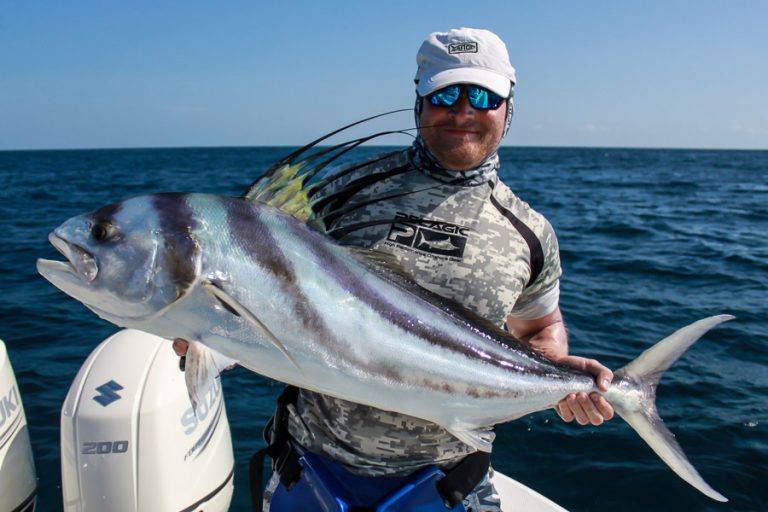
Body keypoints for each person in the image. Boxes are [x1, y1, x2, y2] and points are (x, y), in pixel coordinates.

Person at [175, 27, 614, 511]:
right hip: (311, 470)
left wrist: (554, 371)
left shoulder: (531, 232)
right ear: (419, 101)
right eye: (446, 92)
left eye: (485, 96)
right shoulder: (338, 195)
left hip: (447, 484)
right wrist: (209, 334)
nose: (464, 111)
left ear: (509, 107)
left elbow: (540, 324)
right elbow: (262, 293)